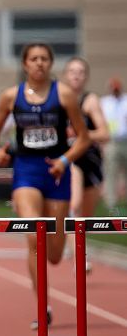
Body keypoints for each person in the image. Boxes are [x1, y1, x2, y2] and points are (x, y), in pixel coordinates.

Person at [0, 42, 90, 329]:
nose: (39, 63)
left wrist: (65, 161)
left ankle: (54, 256)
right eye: (34, 58)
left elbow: (83, 138)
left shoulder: (64, 94)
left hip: (56, 172)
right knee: (34, 235)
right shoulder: (11, 96)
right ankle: (42, 305)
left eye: (44, 58)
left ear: (51, 63)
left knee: (54, 254)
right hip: (26, 172)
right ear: (25, 64)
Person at [62, 58, 110, 271]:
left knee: (86, 217)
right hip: (70, 161)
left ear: (86, 77)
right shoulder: (59, 100)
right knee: (74, 205)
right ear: (66, 75)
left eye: (80, 72)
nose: (76, 75)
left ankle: (73, 242)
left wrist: (82, 134)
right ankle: (80, 258)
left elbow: (105, 133)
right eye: (72, 71)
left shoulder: (90, 101)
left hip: (90, 160)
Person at [100, 77, 127, 214]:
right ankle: (111, 204)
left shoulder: (126, 101)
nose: (115, 91)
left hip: (125, 140)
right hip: (111, 142)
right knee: (111, 172)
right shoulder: (104, 103)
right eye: (113, 88)